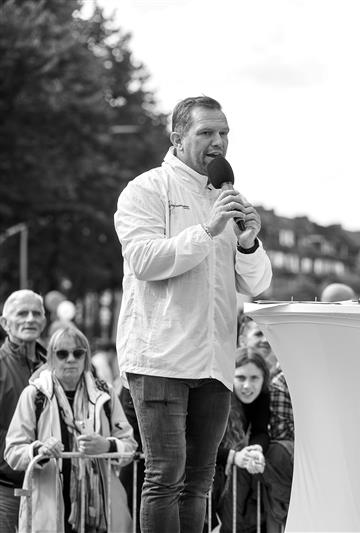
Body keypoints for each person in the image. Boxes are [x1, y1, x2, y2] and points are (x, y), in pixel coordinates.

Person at [113, 95, 273, 533]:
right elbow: (145, 261)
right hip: (160, 358)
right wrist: (208, 230)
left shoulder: (228, 198)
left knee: (200, 480)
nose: (218, 142)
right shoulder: (146, 189)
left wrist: (248, 243)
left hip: (215, 360)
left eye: (224, 133)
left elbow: (257, 284)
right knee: (165, 475)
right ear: (177, 139)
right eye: (206, 133)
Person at [4, 326, 137, 533]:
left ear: (86, 357)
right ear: (51, 358)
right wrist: (39, 451)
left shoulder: (105, 394)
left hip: (102, 515)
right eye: (62, 354)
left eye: (78, 353)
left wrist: (107, 446)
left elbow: (129, 445)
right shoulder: (34, 395)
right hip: (49, 514)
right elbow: (13, 451)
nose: (71, 359)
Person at [211, 348, 293, 533]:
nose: (247, 386)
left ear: (264, 378)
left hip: (235, 466)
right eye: (240, 378)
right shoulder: (217, 396)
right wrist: (235, 457)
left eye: (254, 378)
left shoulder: (262, 395)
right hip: (206, 470)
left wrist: (256, 451)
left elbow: (260, 431)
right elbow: (199, 446)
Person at [0, 290, 47, 532]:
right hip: (5, 489)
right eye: (22, 313)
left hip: (49, 488)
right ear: (4, 323)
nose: (30, 319)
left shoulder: (56, 365)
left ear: (44, 321)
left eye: (36, 313)